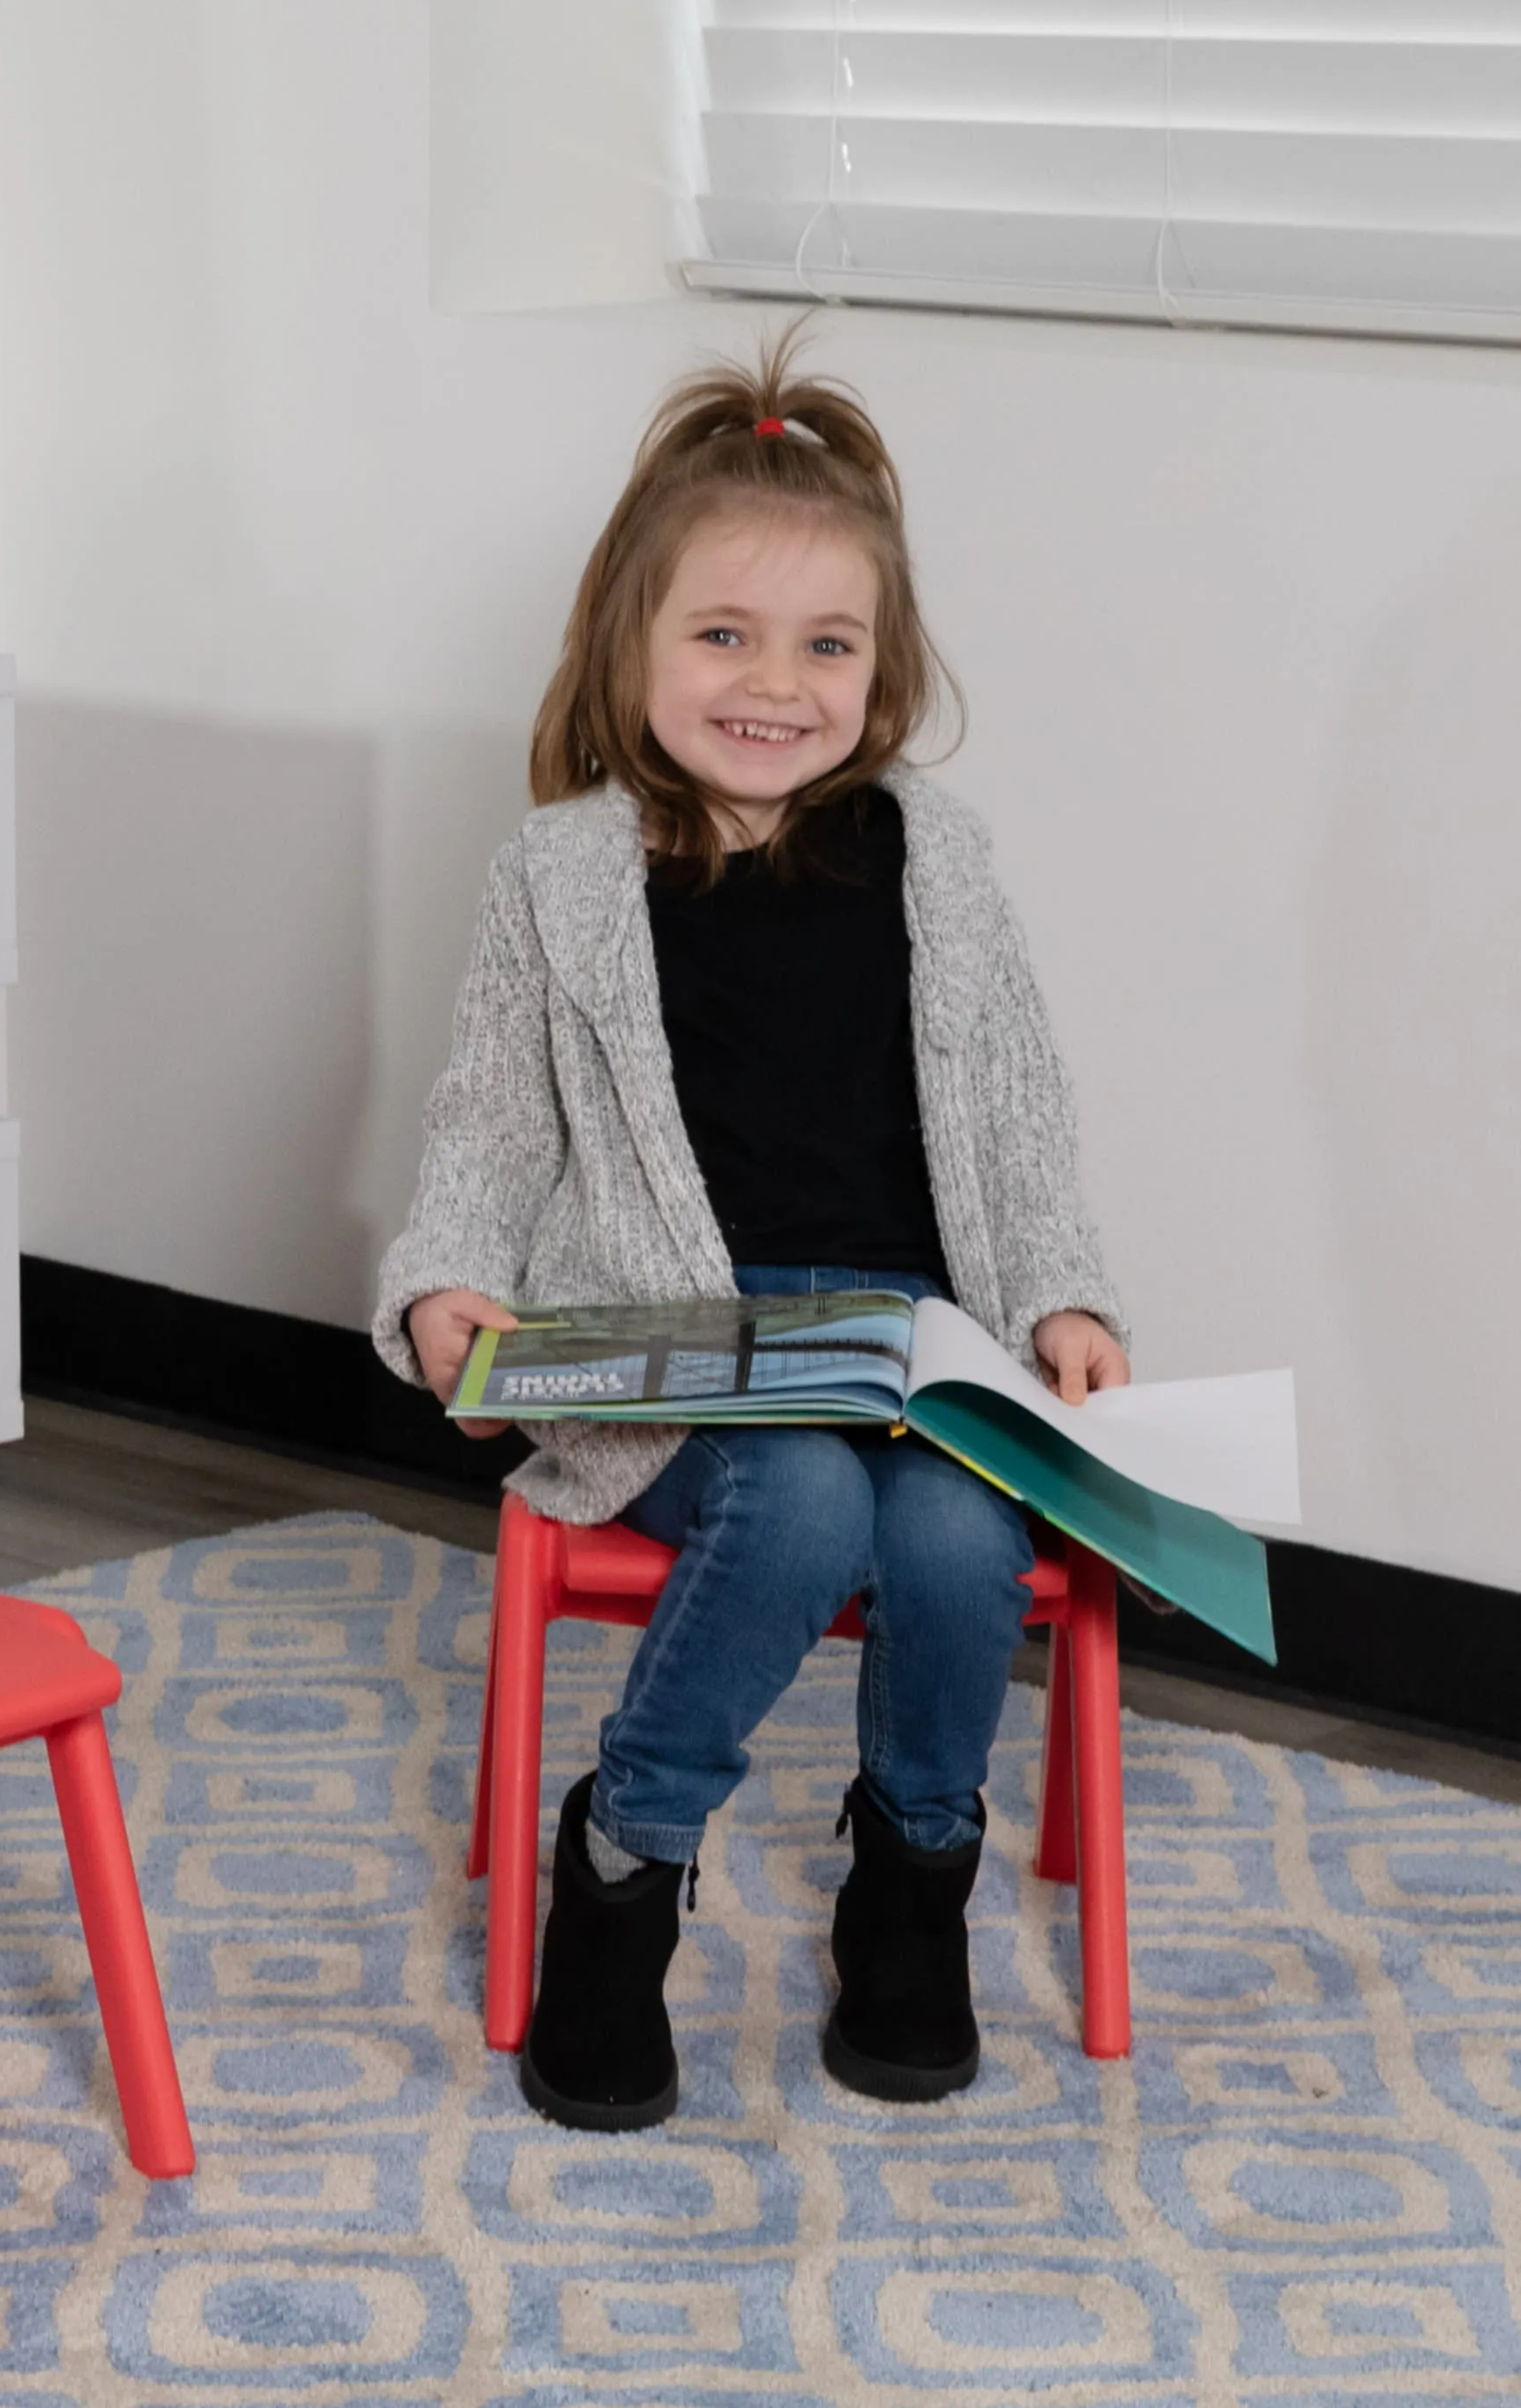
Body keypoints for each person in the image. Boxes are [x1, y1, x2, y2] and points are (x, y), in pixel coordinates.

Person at [374, 332, 1127, 2131]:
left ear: (887, 669)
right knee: (797, 1498)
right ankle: (627, 1863)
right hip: (678, 1357)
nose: (773, 685)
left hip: (904, 1349)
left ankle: (910, 1879)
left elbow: (1021, 1119)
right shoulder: (561, 874)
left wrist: (1068, 1297)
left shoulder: (937, 862)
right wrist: (440, 1298)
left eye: (826, 646)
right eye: (722, 636)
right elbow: (484, 1126)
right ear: (631, 643)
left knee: (951, 1536)